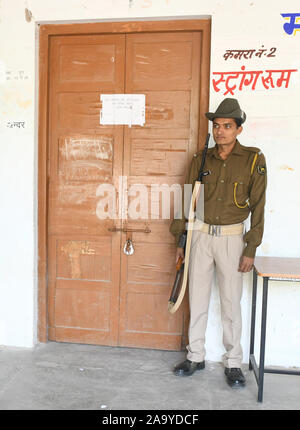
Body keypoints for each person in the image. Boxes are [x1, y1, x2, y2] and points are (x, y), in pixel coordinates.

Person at [170, 98, 267, 387]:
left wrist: (251, 247)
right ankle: (195, 356)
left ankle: (233, 362)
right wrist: (181, 239)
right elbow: (187, 199)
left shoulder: (253, 159)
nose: (220, 131)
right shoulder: (201, 159)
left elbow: (259, 207)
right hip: (200, 237)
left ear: (238, 129)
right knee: (197, 299)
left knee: (230, 303)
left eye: (227, 126)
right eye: (217, 126)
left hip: (232, 239)